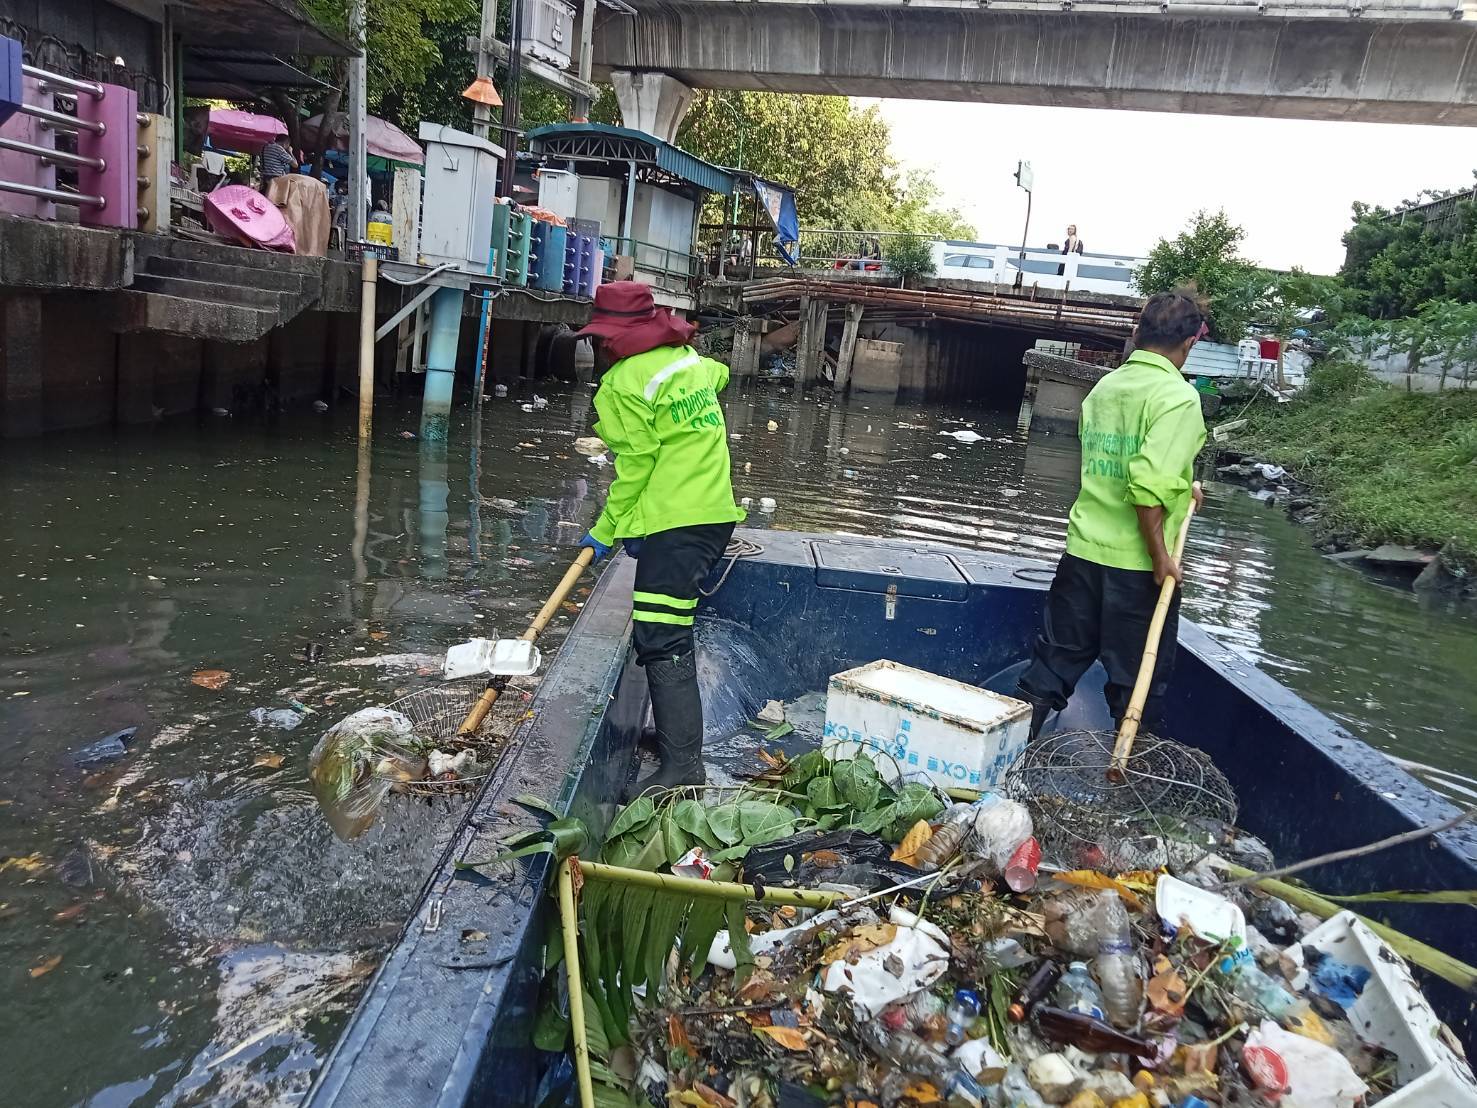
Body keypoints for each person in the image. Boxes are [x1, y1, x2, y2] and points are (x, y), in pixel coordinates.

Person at [1014, 289, 1209, 740]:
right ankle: (1131, 770)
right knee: (1137, 686)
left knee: (1050, 666)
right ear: (1189, 343)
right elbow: (1145, 490)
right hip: (1136, 568)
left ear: (1139, 334)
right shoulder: (1178, 398)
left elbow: (1119, 465)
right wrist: (1161, 560)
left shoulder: (1106, 387)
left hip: (1083, 554)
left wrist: (1184, 489)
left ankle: (1006, 751)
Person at [576, 281, 746, 795]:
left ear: (608, 340)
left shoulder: (621, 385)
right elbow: (718, 377)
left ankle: (683, 770)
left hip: (677, 526)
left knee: (663, 638)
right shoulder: (689, 363)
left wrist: (605, 530)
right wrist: (638, 527)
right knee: (664, 632)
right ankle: (678, 742)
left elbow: (636, 466)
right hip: (712, 517)